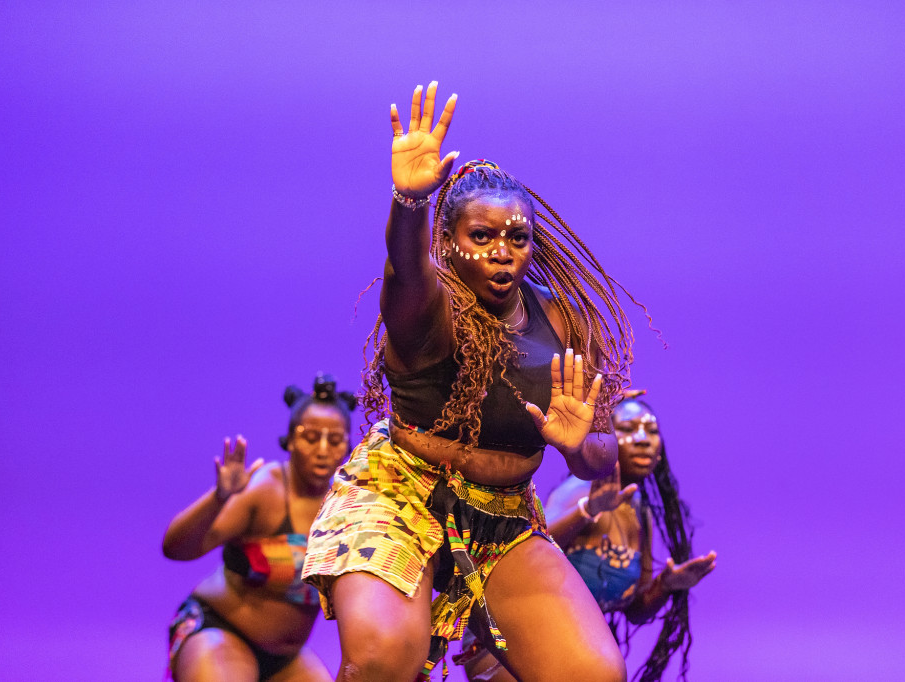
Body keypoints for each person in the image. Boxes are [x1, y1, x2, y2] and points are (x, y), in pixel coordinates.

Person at [301, 81, 637, 682]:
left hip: (503, 516)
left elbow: (600, 457)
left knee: (593, 673)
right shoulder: (427, 308)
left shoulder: (562, 319)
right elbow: (405, 270)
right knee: (381, 660)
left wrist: (579, 446)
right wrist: (410, 204)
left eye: (516, 237)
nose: (502, 252)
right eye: (481, 237)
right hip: (401, 494)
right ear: (448, 245)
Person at [458, 391, 716, 682]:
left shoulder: (640, 514)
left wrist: (667, 585)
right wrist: (588, 510)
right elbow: (522, 544)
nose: (643, 439)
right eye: (628, 430)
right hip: (505, 645)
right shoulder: (579, 491)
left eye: (651, 431)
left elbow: (635, 611)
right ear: (606, 440)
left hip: (563, 650)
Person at [163, 374, 356, 681]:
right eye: (310, 436)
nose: (322, 449)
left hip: (287, 659)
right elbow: (175, 549)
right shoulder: (265, 489)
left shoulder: (346, 506)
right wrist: (218, 498)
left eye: (334, 440)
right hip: (219, 630)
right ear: (291, 439)